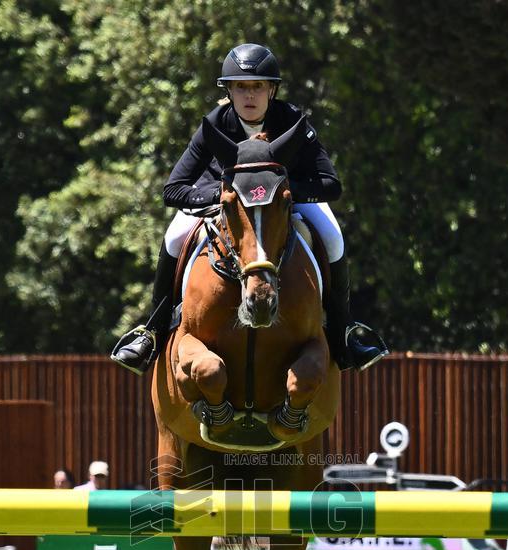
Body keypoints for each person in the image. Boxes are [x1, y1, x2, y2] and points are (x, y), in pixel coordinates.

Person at [112, 42, 388, 376]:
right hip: (225, 202)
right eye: (241, 87)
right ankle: (152, 333)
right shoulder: (214, 125)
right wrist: (226, 194)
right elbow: (173, 189)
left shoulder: (292, 121)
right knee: (174, 237)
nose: (249, 95)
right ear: (229, 90)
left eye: (257, 86)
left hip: (284, 201)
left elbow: (331, 183)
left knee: (332, 236)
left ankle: (344, 334)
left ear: (271, 89)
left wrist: (279, 192)